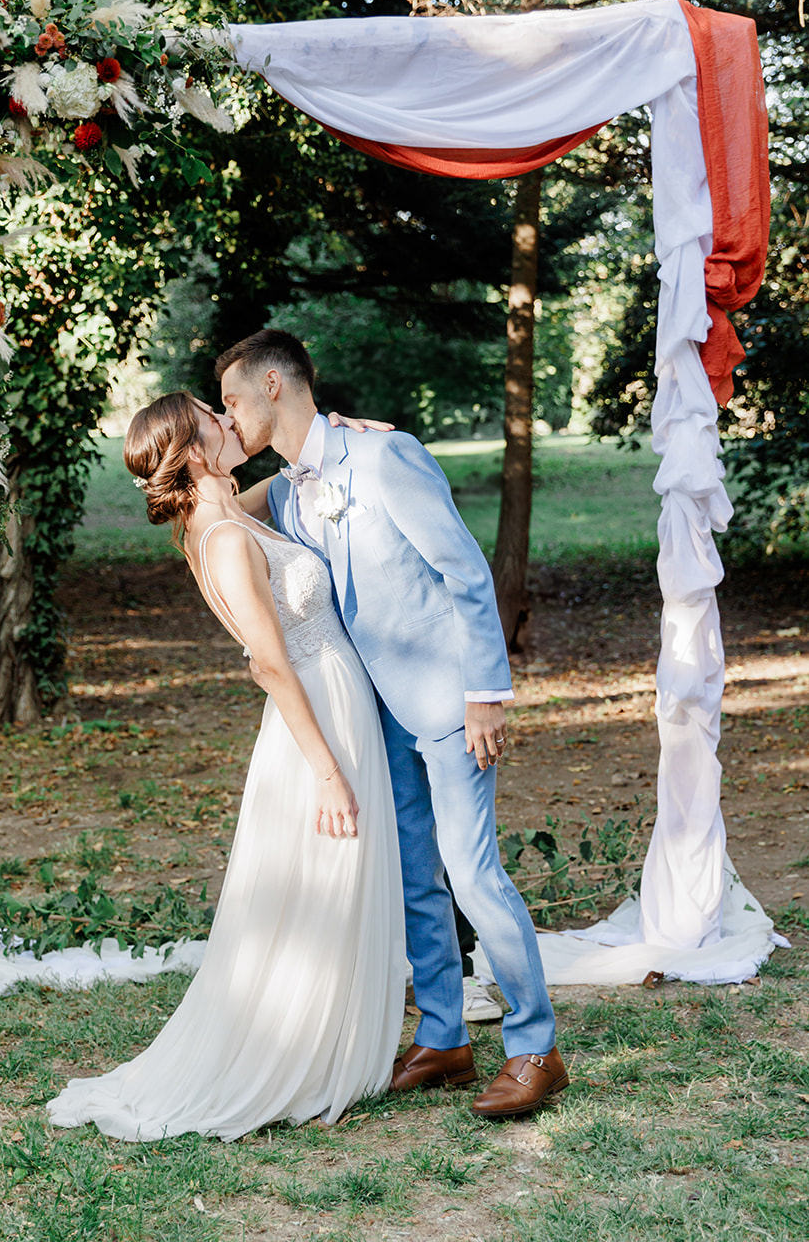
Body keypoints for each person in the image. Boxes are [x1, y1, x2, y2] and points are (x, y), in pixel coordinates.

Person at [217, 329, 568, 1119]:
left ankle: (534, 1049)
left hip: (448, 702)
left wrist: (487, 692)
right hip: (375, 715)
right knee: (415, 876)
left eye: (233, 401)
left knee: (471, 871)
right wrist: (205, 462)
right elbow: (209, 518)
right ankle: (443, 1036)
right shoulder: (287, 484)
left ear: (273, 384)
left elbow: (464, 571)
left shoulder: (385, 457)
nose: (231, 417)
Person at [47, 392, 406, 1141]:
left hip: (333, 701)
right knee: (319, 887)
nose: (227, 416)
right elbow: (270, 664)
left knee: (329, 888)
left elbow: (290, 482)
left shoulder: (226, 510)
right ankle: (302, 1057)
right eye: (214, 414)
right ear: (194, 448)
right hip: (313, 719)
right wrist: (327, 772)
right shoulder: (219, 536)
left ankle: (327, 1042)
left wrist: (341, 431)